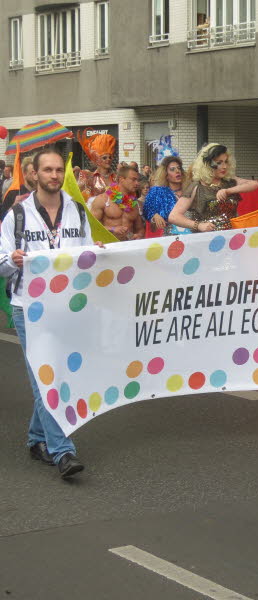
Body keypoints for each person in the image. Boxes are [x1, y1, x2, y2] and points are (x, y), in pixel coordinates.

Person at [0, 149, 99, 478]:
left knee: (59, 375)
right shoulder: (17, 215)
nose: (54, 175)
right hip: (28, 309)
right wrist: (10, 260)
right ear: (34, 174)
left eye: (59, 170)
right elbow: (0, 265)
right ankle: (62, 450)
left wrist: (98, 255)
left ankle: (36, 437)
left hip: (67, 306)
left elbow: (86, 257)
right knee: (45, 380)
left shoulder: (77, 212)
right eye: (48, 170)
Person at [168, 143, 258, 232]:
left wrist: (228, 191)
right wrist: (198, 225)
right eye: (219, 163)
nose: (224, 166)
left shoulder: (230, 181)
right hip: (207, 240)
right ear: (207, 164)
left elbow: (254, 184)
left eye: (226, 161)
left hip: (232, 238)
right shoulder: (196, 186)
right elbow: (174, 216)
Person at [90, 165, 145, 241]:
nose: (137, 183)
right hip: (108, 246)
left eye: (138, 180)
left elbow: (140, 229)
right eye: (133, 179)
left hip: (127, 247)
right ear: (121, 179)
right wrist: (112, 229)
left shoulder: (135, 204)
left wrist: (138, 235)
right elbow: (92, 226)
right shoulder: (102, 200)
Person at [144, 156, 192, 236]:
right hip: (169, 237)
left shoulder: (190, 190)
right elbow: (147, 209)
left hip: (191, 234)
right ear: (165, 174)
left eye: (179, 168)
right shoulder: (157, 192)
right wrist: (154, 215)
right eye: (172, 169)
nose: (177, 171)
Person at [77, 133, 117, 199]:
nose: (108, 159)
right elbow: (79, 194)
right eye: (104, 158)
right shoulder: (89, 177)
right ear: (97, 160)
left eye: (110, 157)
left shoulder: (116, 177)